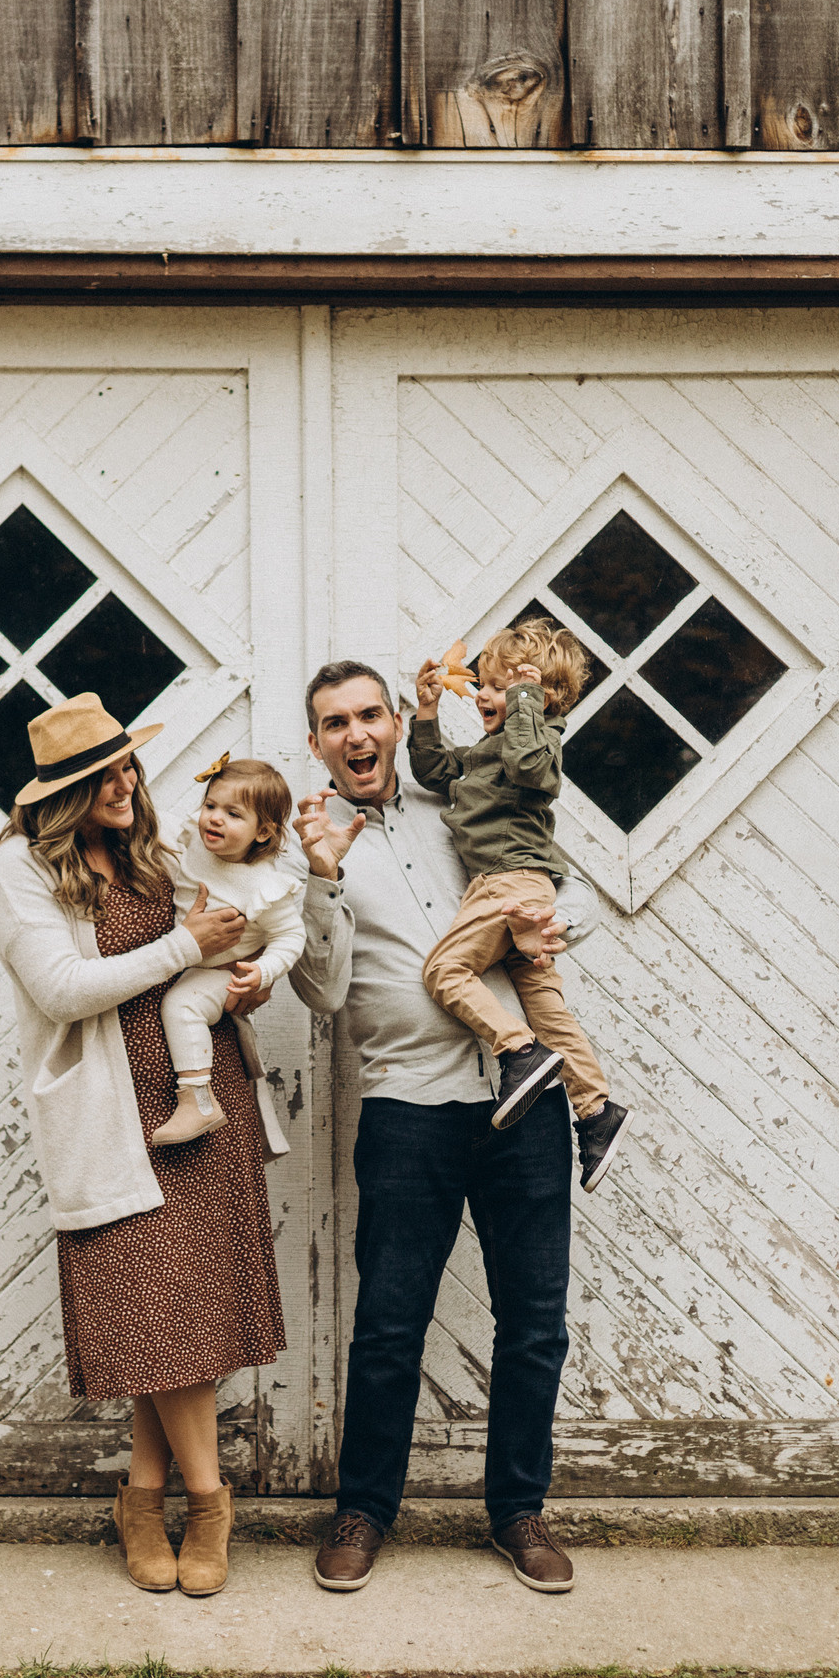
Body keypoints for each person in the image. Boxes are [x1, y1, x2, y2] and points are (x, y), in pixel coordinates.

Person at [288, 659, 586, 1597]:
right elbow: (321, 993)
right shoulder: (311, 855)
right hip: (407, 1108)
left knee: (534, 1322)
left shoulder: (457, 806)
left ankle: (518, 1512)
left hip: (524, 1092)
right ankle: (364, 1509)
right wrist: (324, 882)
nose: (359, 734)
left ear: (391, 719)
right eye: (336, 723)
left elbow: (541, 876)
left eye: (369, 714)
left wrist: (551, 917)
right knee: (388, 1323)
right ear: (317, 744)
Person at [0, 693, 286, 1600]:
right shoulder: (23, 867)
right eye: (100, 776)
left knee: (184, 1320)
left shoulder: (150, 855)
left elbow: (205, 949)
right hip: (116, 1120)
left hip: (199, 1101)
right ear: (61, 795)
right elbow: (63, 987)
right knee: (161, 1314)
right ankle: (210, 1500)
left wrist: (238, 981)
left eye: (125, 767)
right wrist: (182, 945)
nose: (123, 784)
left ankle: (142, 1498)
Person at [410, 619, 631, 1189]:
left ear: (540, 695)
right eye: (481, 684)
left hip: (509, 881)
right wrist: (428, 712)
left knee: (445, 971)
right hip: (511, 888)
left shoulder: (540, 742)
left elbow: (532, 768)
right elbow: (434, 770)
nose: (481, 696)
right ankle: (597, 1110)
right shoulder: (488, 752)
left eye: (497, 687)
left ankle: (519, 1053)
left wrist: (528, 700)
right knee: (546, 1005)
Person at [154, 755, 307, 1147]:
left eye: (233, 814)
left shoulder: (262, 885)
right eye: (210, 806)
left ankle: (198, 1101)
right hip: (187, 957)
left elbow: (291, 937)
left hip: (223, 973)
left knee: (181, 1006)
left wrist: (264, 972)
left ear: (263, 832)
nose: (214, 819)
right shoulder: (195, 841)